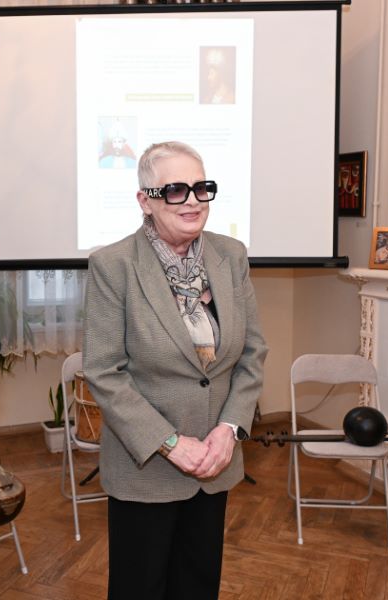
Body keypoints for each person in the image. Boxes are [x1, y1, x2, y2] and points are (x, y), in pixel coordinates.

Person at [83, 141, 267, 600]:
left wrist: (229, 430)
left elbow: (252, 352)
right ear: (145, 201)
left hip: (215, 461)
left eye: (201, 188)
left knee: (198, 585)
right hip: (145, 469)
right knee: (139, 588)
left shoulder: (231, 255)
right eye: (175, 190)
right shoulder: (114, 265)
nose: (192, 201)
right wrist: (169, 443)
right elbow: (104, 372)